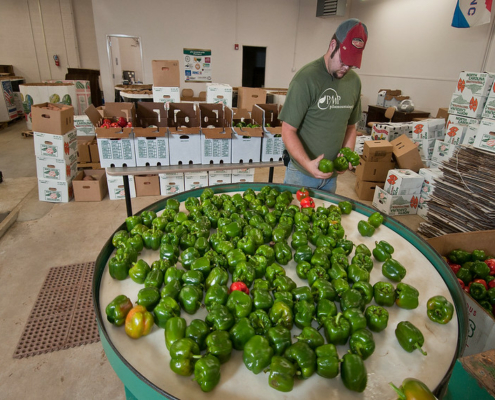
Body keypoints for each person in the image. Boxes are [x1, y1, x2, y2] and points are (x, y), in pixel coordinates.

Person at [279, 18, 368, 193]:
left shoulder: (354, 82)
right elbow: (287, 130)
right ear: (332, 45)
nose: (346, 68)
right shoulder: (306, 79)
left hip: (331, 176)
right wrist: (308, 164)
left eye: (351, 64)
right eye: (343, 60)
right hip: (301, 174)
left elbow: (351, 126)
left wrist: (346, 153)